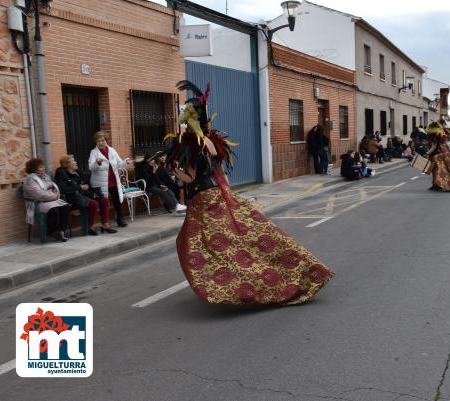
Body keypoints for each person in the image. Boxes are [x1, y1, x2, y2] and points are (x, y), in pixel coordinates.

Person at [171, 80, 333, 305]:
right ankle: (302, 271)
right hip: (220, 195)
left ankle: (240, 285)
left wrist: (174, 171)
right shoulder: (213, 142)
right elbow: (222, 174)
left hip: (202, 202)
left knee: (204, 246)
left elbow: (189, 177)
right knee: (248, 237)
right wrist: (230, 196)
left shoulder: (191, 145)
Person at [54, 155, 116, 235]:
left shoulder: (78, 172)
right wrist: (80, 187)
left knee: (104, 200)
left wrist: (87, 186)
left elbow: (87, 182)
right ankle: (89, 227)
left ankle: (105, 224)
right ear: (67, 164)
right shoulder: (62, 174)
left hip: (85, 194)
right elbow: (63, 189)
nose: (76, 162)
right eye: (73, 161)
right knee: (93, 203)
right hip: (73, 198)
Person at [88, 131, 133, 227]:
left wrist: (126, 162)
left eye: (103, 140)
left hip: (113, 180)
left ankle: (120, 219)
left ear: (106, 141)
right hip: (100, 183)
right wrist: (97, 163)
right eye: (98, 141)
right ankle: (105, 222)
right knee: (104, 203)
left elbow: (119, 164)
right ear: (96, 142)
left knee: (117, 201)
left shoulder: (112, 150)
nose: (101, 142)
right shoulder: (93, 153)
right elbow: (91, 167)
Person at [23, 158, 71, 242]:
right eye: (41, 167)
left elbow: (53, 188)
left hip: (50, 200)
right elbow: (38, 194)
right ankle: (52, 231)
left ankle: (60, 231)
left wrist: (53, 194)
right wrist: (54, 196)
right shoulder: (30, 180)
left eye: (43, 166)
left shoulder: (45, 177)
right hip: (38, 203)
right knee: (54, 210)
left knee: (66, 207)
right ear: (34, 169)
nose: (44, 168)